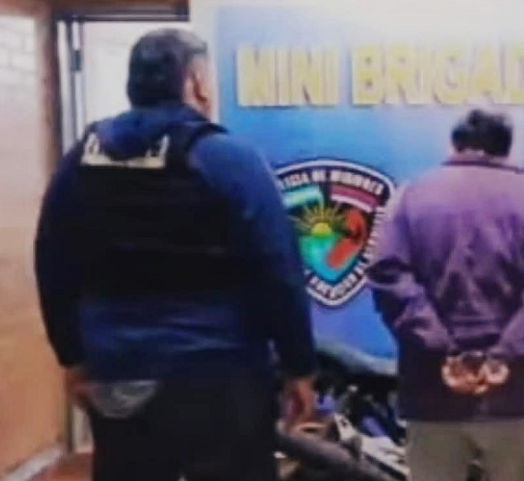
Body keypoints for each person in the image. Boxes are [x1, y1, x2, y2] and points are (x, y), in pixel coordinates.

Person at [34, 29, 317, 481]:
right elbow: (277, 267)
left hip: (117, 371)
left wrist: (72, 356)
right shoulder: (225, 159)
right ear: (197, 82)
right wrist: (299, 366)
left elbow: (52, 262)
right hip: (218, 374)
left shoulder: (81, 162)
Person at [367, 109, 524, 481]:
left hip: (433, 394)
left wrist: (442, 350)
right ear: (507, 150)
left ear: (454, 145)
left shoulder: (412, 198)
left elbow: (388, 275)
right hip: (518, 395)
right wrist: (505, 354)